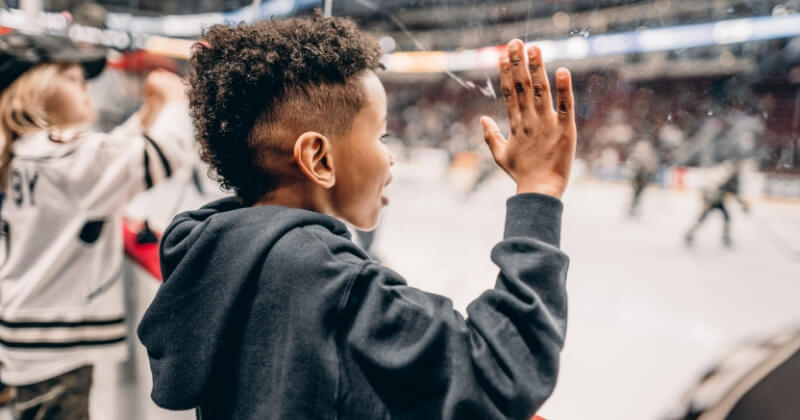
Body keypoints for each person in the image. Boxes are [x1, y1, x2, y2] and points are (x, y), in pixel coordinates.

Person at [138, 12, 577, 420]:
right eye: (381, 134)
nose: (390, 160)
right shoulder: (330, 282)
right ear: (319, 159)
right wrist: (539, 191)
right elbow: (502, 371)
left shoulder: (223, 256)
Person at [0, 31, 193, 419]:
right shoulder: (66, 157)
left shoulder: (33, 152)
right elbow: (159, 154)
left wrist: (145, 115)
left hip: (30, 336)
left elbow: (105, 163)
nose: (86, 88)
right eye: (72, 80)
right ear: (36, 93)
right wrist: (175, 100)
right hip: (53, 347)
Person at [685, 160, 750, 248]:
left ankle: (725, 237)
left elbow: (733, 193)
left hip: (719, 201)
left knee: (725, 218)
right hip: (712, 200)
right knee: (704, 218)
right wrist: (743, 205)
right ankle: (690, 234)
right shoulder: (731, 178)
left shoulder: (731, 178)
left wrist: (743, 204)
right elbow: (733, 193)